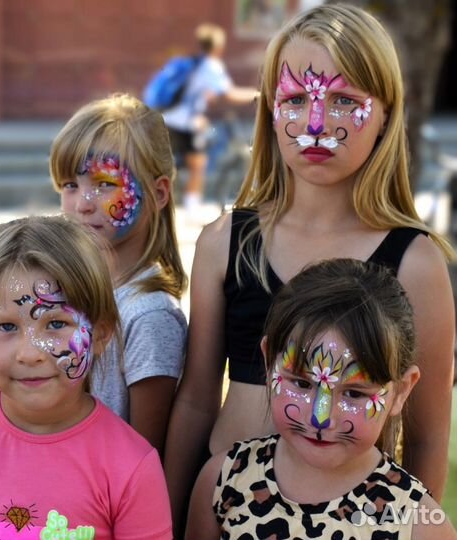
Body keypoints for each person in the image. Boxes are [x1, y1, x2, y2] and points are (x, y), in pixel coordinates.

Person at [165, 4, 456, 536]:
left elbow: (428, 435)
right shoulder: (227, 241)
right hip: (230, 512)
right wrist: (165, 517)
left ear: (387, 113)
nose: (315, 124)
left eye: (344, 100)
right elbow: (196, 398)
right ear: (270, 111)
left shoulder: (415, 262)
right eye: (296, 99)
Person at [0, 215, 172, 540]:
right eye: (6, 327)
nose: (30, 353)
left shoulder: (132, 466)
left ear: (101, 334)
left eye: (57, 324)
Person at [185, 258, 457, 540]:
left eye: (354, 393)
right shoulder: (223, 481)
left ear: (400, 391)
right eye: (302, 383)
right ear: (269, 365)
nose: (321, 416)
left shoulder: (419, 524)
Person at [49, 93, 188, 457]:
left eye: (105, 184)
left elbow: (144, 455)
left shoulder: (149, 317)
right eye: (70, 186)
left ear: (158, 193)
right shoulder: (66, 290)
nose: (82, 203)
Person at [162, 23, 257, 215]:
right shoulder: (211, 66)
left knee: (170, 165)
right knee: (198, 164)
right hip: (187, 124)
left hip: (169, 119)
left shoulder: (192, 62)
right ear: (218, 46)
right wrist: (257, 94)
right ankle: (191, 207)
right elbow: (230, 94)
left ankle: (166, 204)